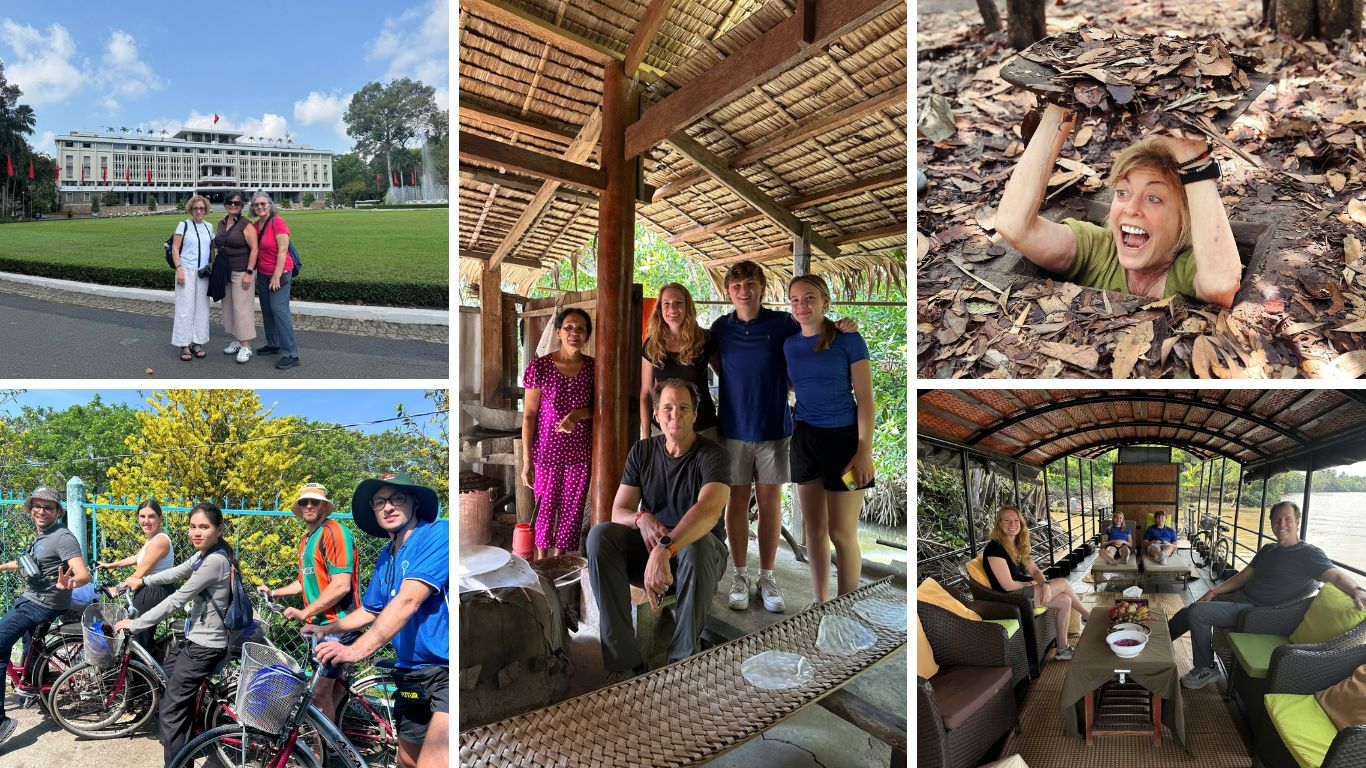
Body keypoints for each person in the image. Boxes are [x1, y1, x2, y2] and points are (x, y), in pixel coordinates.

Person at [711, 261, 854, 614]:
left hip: (776, 428)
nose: (743, 290)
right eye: (737, 285)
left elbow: (815, 329)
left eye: (750, 284)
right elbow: (710, 362)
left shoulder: (783, 322)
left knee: (771, 501)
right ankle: (741, 575)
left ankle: (767, 576)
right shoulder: (719, 328)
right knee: (738, 502)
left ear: (762, 288)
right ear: (728, 291)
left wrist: (843, 327)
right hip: (733, 428)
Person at [995, 103, 1241, 308]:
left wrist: (1193, 161)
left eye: (1153, 198)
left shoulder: (1190, 266)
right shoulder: (1099, 249)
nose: (1131, 208)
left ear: (1185, 218)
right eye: (1123, 192)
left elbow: (1221, 285)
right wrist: (1058, 113)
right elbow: (1014, 226)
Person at [586, 379, 730, 683]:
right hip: (653, 553)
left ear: (695, 414)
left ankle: (681, 662)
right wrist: (642, 518)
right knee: (600, 537)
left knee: (698, 546)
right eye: (667, 408)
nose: (674, 415)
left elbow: (709, 511)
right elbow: (619, 511)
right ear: (656, 414)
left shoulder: (713, 455)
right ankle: (624, 661)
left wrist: (665, 547)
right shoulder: (642, 452)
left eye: (683, 408)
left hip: (698, 560)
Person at [310, 472, 448, 768]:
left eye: (397, 498)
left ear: (414, 502)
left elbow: (408, 600)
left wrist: (355, 651)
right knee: (406, 763)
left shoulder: (438, 534)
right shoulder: (387, 556)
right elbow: (371, 610)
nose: (388, 507)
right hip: (410, 674)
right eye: (380, 501)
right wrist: (325, 629)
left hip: (445, 674)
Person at [1170, 501, 1366, 689]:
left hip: (1258, 612)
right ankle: (1157, 639)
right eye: (1277, 519)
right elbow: (1241, 578)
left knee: (1198, 612)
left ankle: (1207, 667)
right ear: (1271, 523)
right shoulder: (1268, 550)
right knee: (1189, 611)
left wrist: (1357, 590)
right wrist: (1213, 591)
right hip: (1240, 598)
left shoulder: (1309, 554)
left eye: (1288, 519)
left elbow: (1336, 575)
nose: (1282, 524)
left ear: (1297, 521)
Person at [113, 502, 234, 767]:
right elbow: (177, 571)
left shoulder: (215, 560)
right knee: (167, 671)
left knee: (170, 711)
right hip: (196, 639)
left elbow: (177, 599)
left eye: (204, 527)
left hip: (206, 645)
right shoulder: (205, 553)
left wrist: (135, 624)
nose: (196, 532)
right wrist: (143, 580)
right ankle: (188, 744)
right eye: (192, 527)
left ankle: (178, 763)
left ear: (219, 529)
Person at [785, 273, 875, 603]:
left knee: (841, 531)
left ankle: (846, 603)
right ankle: (821, 602)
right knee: (814, 531)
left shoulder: (849, 339)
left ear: (825, 301)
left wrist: (864, 449)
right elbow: (793, 386)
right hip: (805, 442)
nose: (802, 305)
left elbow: (865, 398)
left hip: (845, 444)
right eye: (795, 299)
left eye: (809, 297)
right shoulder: (790, 345)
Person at [256, 483, 360, 722]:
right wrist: (273, 593)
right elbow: (304, 582)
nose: (309, 505)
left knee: (319, 694)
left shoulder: (335, 532)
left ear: (325, 505)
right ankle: (335, 745)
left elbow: (341, 584)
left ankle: (319, 754)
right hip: (320, 624)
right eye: (304, 502)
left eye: (315, 501)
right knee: (332, 691)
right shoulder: (307, 539)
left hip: (338, 624)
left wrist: (305, 612)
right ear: (300, 507)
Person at [0, 487, 91, 746]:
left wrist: (69, 583)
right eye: (36, 506)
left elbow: (83, 574)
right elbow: (27, 564)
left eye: (48, 507)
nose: (41, 511)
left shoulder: (62, 537)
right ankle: (31, 687)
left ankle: (0, 722)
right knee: (30, 648)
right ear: (30, 509)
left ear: (58, 511)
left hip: (41, 603)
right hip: (34, 599)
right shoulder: (43, 535)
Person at [521, 307, 595, 561]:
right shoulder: (540, 367)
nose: (575, 333)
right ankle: (542, 559)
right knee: (544, 507)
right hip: (545, 453)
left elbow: (602, 410)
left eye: (581, 329)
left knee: (571, 509)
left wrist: (577, 415)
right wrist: (526, 460)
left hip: (579, 454)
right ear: (558, 332)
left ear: (587, 336)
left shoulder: (593, 369)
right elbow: (529, 415)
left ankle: (559, 558)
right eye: (569, 327)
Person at [983, 506, 1091, 661]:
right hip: (1008, 598)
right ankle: (1087, 615)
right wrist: (1032, 585)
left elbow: (1034, 570)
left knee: (1065, 601)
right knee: (1063, 583)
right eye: (1007, 520)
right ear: (999, 524)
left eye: (1016, 520)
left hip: (1020, 591)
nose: (1012, 524)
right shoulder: (995, 548)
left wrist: (1044, 584)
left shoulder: (1016, 545)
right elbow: (1008, 586)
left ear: (1021, 523)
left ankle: (1062, 649)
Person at [640, 283, 718, 441]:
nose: (672, 309)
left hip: (702, 427)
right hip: (664, 429)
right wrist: (647, 437)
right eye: (666, 303)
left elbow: (726, 378)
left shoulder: (705, 339)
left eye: (678, 303)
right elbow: (646, 394)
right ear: (660, 309)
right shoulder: (652, 344)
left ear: (688, 306)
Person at [95, 498, 175, 655]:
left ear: (161, 518)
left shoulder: (160, 541)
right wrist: (110, 565)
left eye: (151, 516)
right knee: (140, 636)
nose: (146, 521)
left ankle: (140, 678)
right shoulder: (152, 539)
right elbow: (137, 558)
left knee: (136, 638)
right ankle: (147, 673)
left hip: (154, 592)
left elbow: (140, 572)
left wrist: (117, 589)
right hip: (148, 589)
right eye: (142, 516)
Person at [250, 192, 300, 370]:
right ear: (253, 208)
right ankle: (274, 343)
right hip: (263, 274)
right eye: (256, 205)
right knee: (267, 310)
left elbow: (283, 249)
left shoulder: (277, 222)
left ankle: (291, 354)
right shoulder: (256, 226)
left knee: (280, 311)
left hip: (281, 273)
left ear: (270, 205)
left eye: (263, 204)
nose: (260, 207)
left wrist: (277, 275)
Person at [214, 190, 260, 364]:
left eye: (237, 203)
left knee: (242, 308)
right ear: (225, 205)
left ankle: (246, 346)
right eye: (230, 203)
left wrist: (249, 272)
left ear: (241, 206)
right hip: (224, 271)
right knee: (229, 307)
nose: (233, 205)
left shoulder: (245, 224)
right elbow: (217, 243)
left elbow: (254, 249)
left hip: (242, 271)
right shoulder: (221, 223)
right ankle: (237, 339)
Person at [170, 194, 216, 361]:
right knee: (185, 308)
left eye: (202, 208)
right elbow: (175, 248)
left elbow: (214, 248)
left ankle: (197, 342)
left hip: (203, 273)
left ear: (206, 210)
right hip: (186, 271)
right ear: (191, 209)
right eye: (196, 208)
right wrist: (179, 268)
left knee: (202, 308)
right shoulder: (183, 225)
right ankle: (184, 344)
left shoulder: (209, 227)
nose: (198, 211)